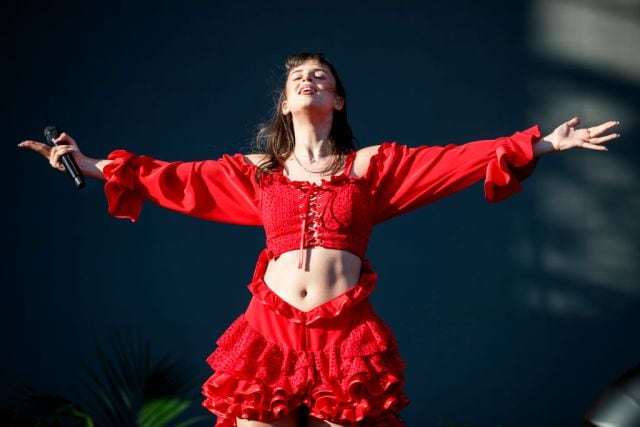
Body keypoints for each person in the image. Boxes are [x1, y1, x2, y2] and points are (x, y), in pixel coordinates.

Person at [19, 52, 620, 427]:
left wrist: (541, 144)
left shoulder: (374, 167)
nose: (309, 81)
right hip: (268, 335)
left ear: (337, 99)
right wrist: (89, 163)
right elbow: (172, 179)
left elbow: (454, 161)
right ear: (285, 103)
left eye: (321, 77)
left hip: (344, 338)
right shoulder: (256, 171)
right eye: (298, 78)